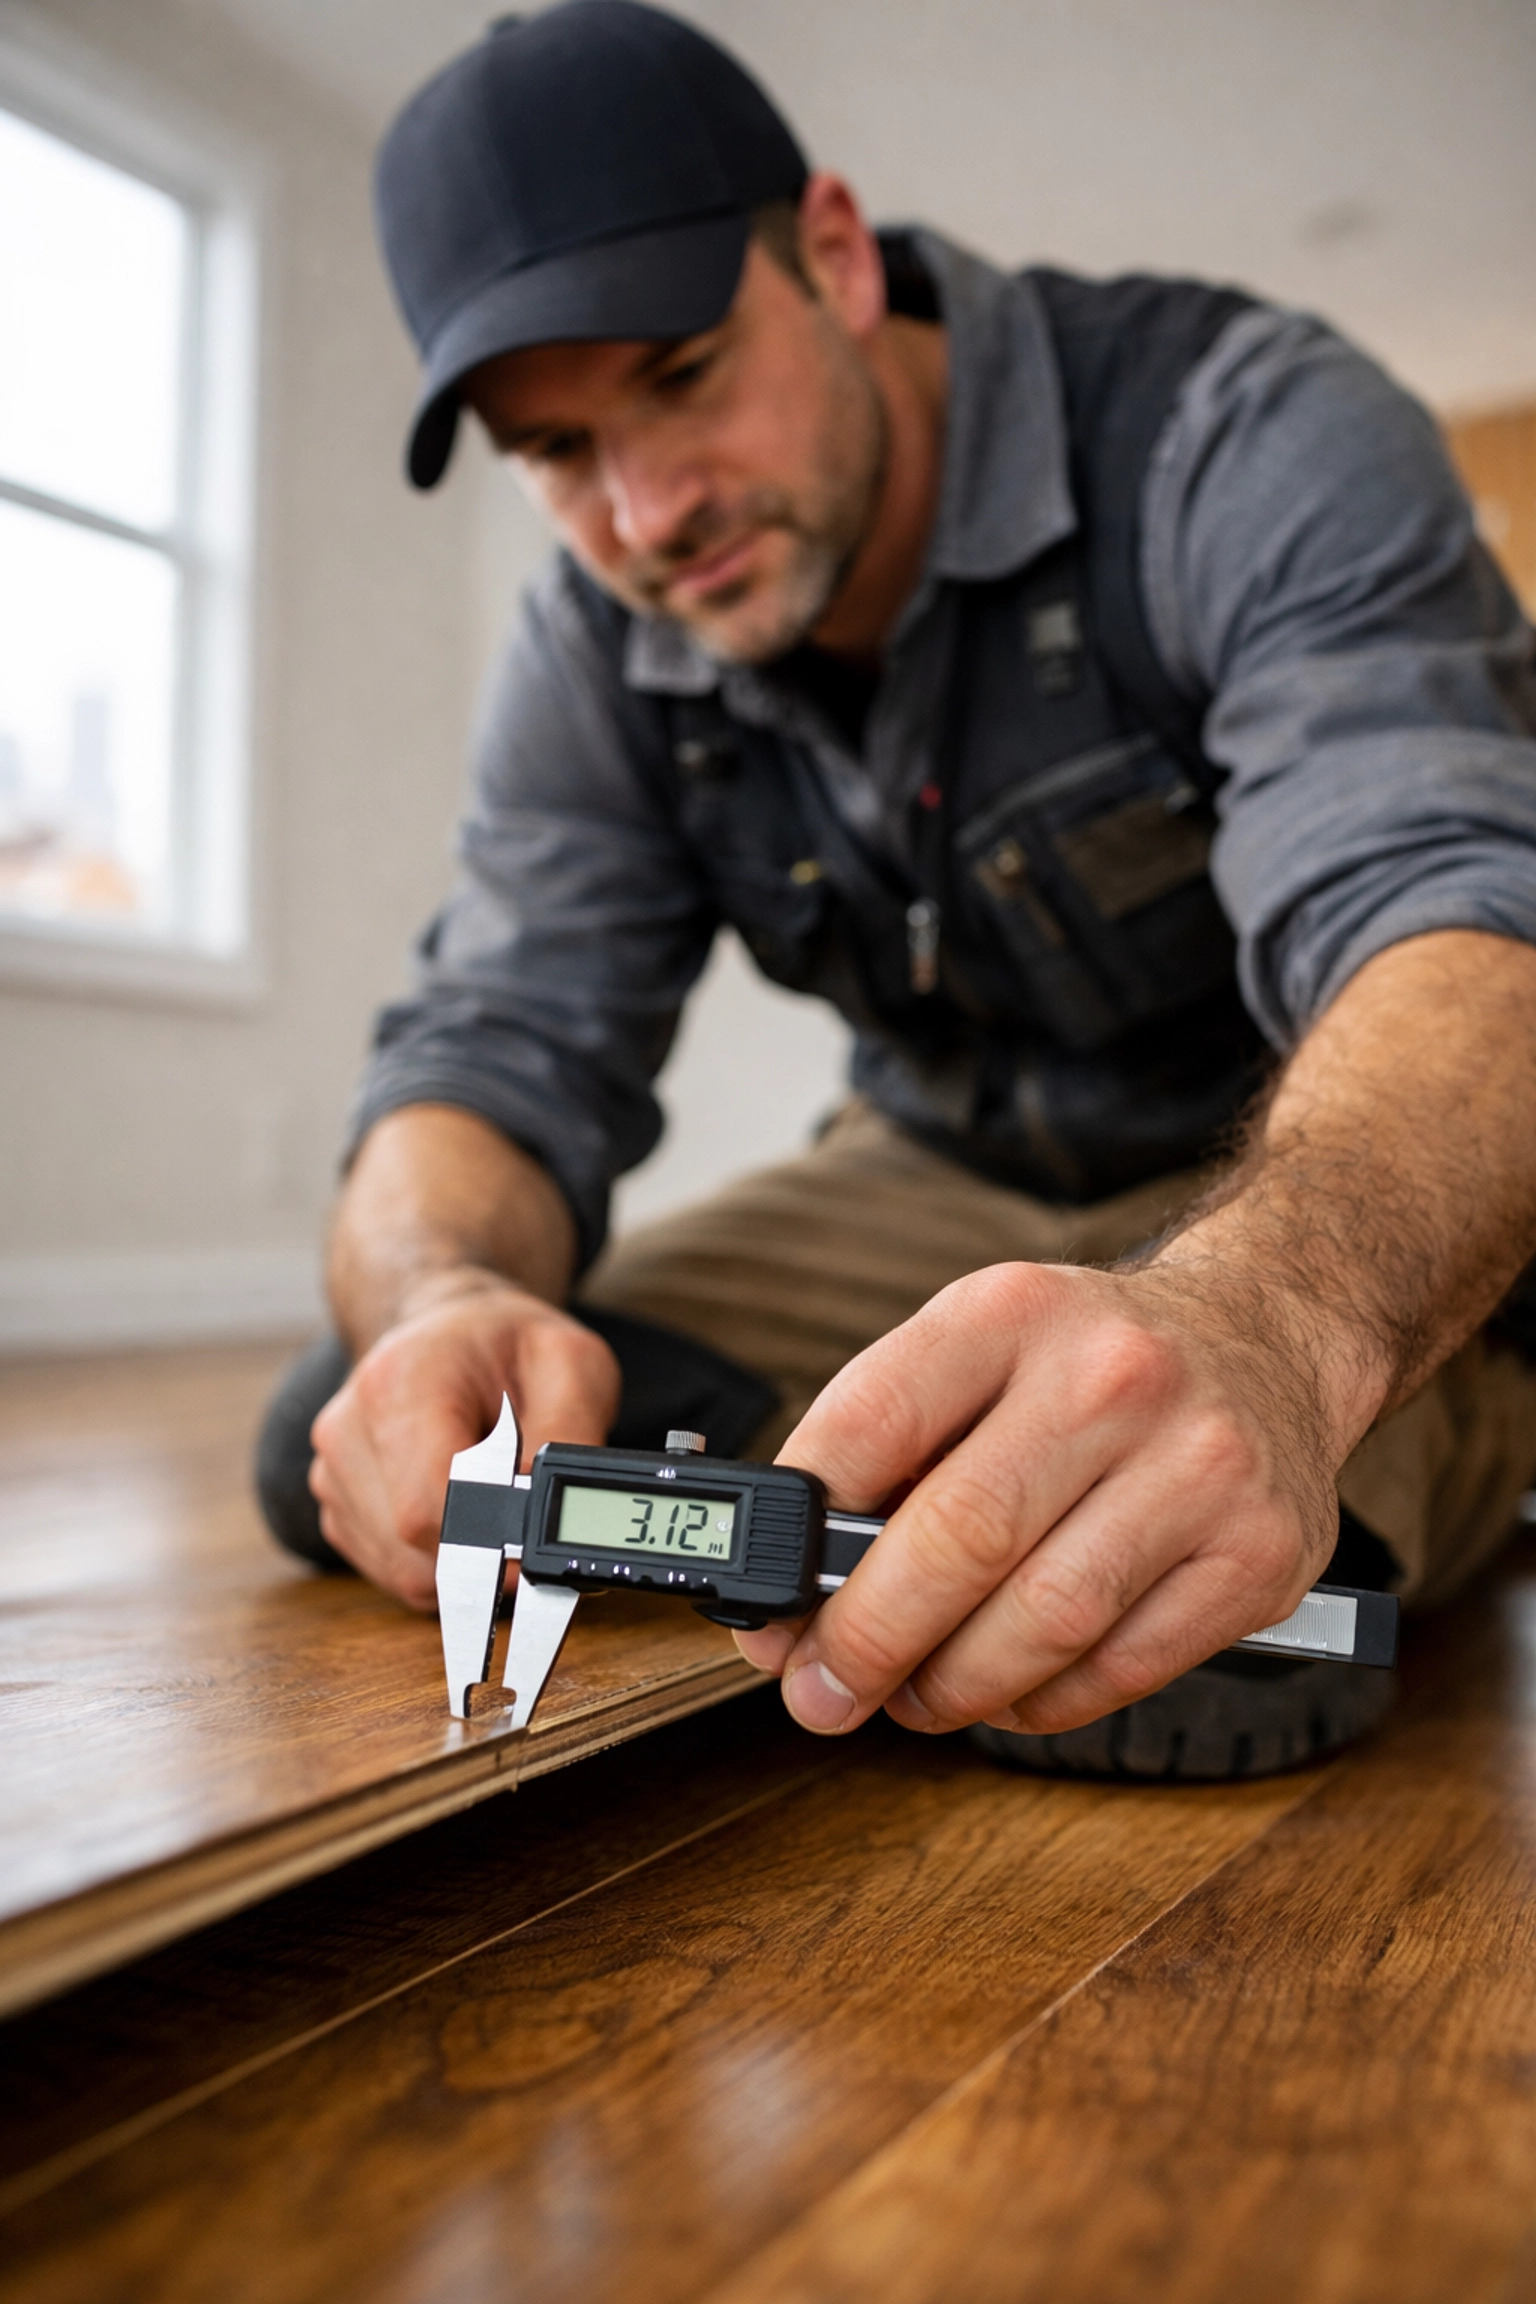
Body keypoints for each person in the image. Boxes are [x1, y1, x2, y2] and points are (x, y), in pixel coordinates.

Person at [258, 0, 1536, 1780]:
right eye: (553, 453)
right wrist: (437, 1303)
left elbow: (1461, 917)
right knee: (361, 1435)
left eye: (683, 375)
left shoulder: (1243, 433)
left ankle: (1386, 1433)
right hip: (934, 1176)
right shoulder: (601, 637)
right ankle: (896, 1487)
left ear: (839, 259)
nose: (646, 512)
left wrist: (1272, 1326)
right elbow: (494, 1038)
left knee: (1163, 1629)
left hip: (1310, 1188)